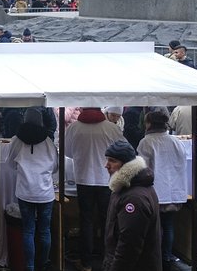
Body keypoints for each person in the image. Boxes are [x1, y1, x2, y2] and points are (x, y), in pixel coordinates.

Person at [64, 107, 122, 271]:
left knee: (86, 220)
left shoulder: (74, 127)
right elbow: (124, 149)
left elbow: (68, 152)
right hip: (106, 179)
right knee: (106, 219)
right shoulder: (111, 128)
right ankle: (106, 258)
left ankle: (86, 262)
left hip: (83, 178)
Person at [5, 108, 58, 271]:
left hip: (25, 191)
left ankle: (29, 267)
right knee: (44, 230)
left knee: (28, 231)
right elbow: (55, 167)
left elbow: (10, 163)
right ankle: (43, 264)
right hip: (45, 193)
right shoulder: (48, 141)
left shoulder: (17, 140)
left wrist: (23, 170)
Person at [137, 111, 188, 271]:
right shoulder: (175, 141)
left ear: (149, 124)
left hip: (155, 190)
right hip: (174, 190)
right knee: (168, 225)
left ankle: (155, 258)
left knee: (154, 228)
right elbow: (183, 161)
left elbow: (142, 168)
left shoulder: (147, 142)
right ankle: (166, 256)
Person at [103, 140, 162, 271]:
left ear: (126, 166)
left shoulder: (134, 198)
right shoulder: (126, 188)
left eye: (112, 161)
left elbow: (129, 246)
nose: (106, 165)